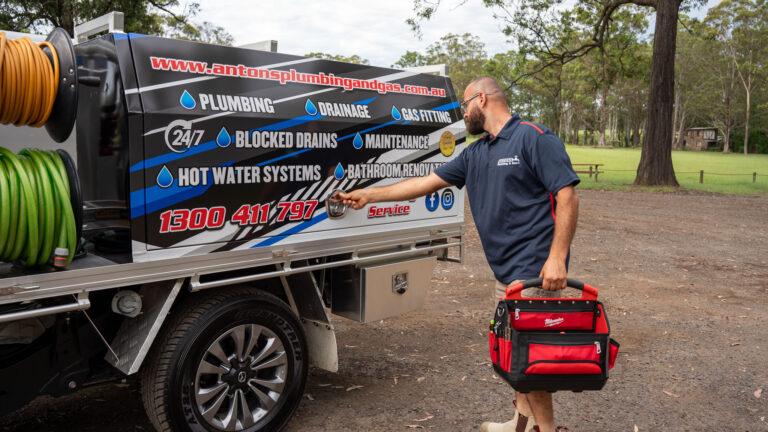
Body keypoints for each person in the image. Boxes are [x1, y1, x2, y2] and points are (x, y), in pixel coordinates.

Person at [338, 76, 579, 432]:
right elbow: (423, 184)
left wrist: (557, 257)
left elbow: (567, 195)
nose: (463, 114)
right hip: (505, 272)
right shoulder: (476, 154)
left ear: (481, 98)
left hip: (536, 271)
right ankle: (520, 423)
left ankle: (547, 430)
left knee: (530, 361)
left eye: (464, 106)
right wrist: (371, 195)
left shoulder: (533, 137)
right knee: (512, 351)